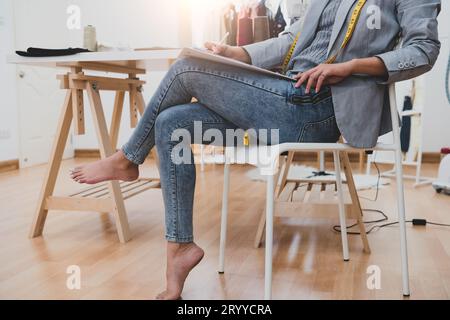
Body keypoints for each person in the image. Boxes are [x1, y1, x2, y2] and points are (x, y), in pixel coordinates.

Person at [71, 0, 441, 300]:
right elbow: (291, 41)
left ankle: (127, 158)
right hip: (282, 97)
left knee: (185, 70)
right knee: (172, 125)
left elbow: (423, 50)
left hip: (317, 109)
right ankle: (180, 248)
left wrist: (351, 67)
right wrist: (237, 52)